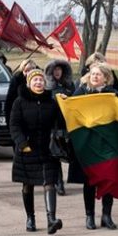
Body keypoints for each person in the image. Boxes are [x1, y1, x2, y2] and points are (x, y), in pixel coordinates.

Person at [10, 69, 65, 234]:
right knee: (28, 185)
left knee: (50, 183)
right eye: (35, 80)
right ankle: (30, 217)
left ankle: (51, 219)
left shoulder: (51, 101)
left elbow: (60, 123)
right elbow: (14, 125)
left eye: (41, 80)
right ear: (29, 83)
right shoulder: (19, 102)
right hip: (27, 149)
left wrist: (63, 103)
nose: (39, 83)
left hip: (47, 150)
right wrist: (21, 143)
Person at [69, 63, 118, 230]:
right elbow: (71, 108)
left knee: (109, 177)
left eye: (99, 74)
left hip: (108, 144)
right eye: (93, 74)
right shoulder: (82, 92)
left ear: (106, 78)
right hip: (88, 143)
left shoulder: (112, 94)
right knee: (89, 180)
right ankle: (89, 215)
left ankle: (107, 215)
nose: (95, 76)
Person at [45, 59, 75, 196]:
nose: (57, 72)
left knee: (67, 154)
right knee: (55, 155)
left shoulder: (70, 86)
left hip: (67, 125)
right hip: (52, 126)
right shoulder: (47, 88)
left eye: (59, 69)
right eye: (55, 70)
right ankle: (59, 183)